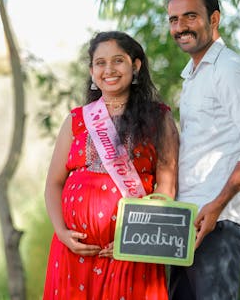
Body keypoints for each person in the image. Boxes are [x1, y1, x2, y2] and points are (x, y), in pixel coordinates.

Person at [42, 31, 179, 299]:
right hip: (73, 254)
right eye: (100, 63)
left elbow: (167, 188)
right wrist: (62, 233)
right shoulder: (77, 120)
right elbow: (53, 184)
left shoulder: (158, 119)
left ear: (135, 65)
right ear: (92, 71)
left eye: (118, 61)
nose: (109, 70)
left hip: (132, 252)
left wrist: (133, 238)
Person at [165, 0, 240, 299]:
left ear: (213, 19)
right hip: (189, 221)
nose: (180, 26)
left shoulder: (229, 68)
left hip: (220, 222)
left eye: (190, 16)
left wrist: (217, 205)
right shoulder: (193, 75)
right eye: (174, 19)